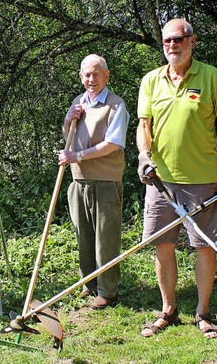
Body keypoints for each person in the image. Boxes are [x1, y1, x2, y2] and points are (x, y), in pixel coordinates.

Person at [136, 18, 217, 339]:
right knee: (163, 245)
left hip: (201, 179)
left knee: (204, 246)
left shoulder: (212, 77)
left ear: (192, 41)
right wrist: (144, 156)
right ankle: (168, 310)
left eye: (178, 39)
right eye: (167, 41)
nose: (172, 46)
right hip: (160, 181)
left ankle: (203, 312)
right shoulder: (151, 80)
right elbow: (145, 125)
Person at [58, 54, 129, 310]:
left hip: (106, 180)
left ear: (106, 76)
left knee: (105, 239)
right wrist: (68, 120)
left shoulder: (116, 105)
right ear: (80, 77)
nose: (92, 79)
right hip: (79, 180)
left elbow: (112, 144)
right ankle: (89, 283)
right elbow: (70, 135)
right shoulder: (78, 102)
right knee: (84, 237)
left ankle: (107, 291)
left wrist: (76, 156)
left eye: (96, 74)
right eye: (87, 74)